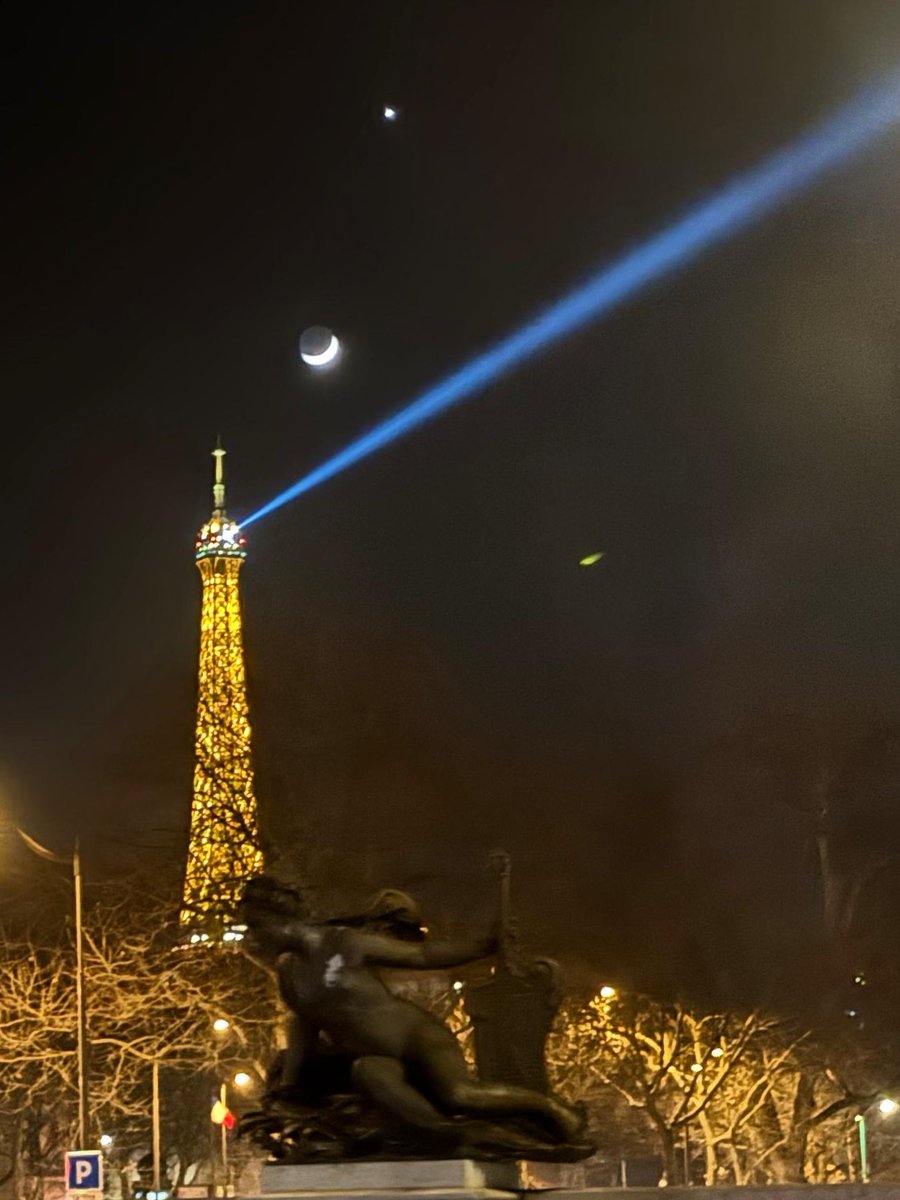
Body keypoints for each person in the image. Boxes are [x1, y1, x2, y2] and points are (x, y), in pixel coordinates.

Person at [238, 876, 581, 1145]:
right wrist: (290, 1083)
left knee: (460, 1094)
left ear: (282, 921)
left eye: (256, 926)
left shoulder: (342, 942)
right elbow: (304, 1025)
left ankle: (550, 1108)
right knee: (367, 1073)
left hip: (417, 1038)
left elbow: (421, 956)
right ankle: (449, 1136)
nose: (252, 936)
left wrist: (482, 947)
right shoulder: (289, 973)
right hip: (378, 1056)